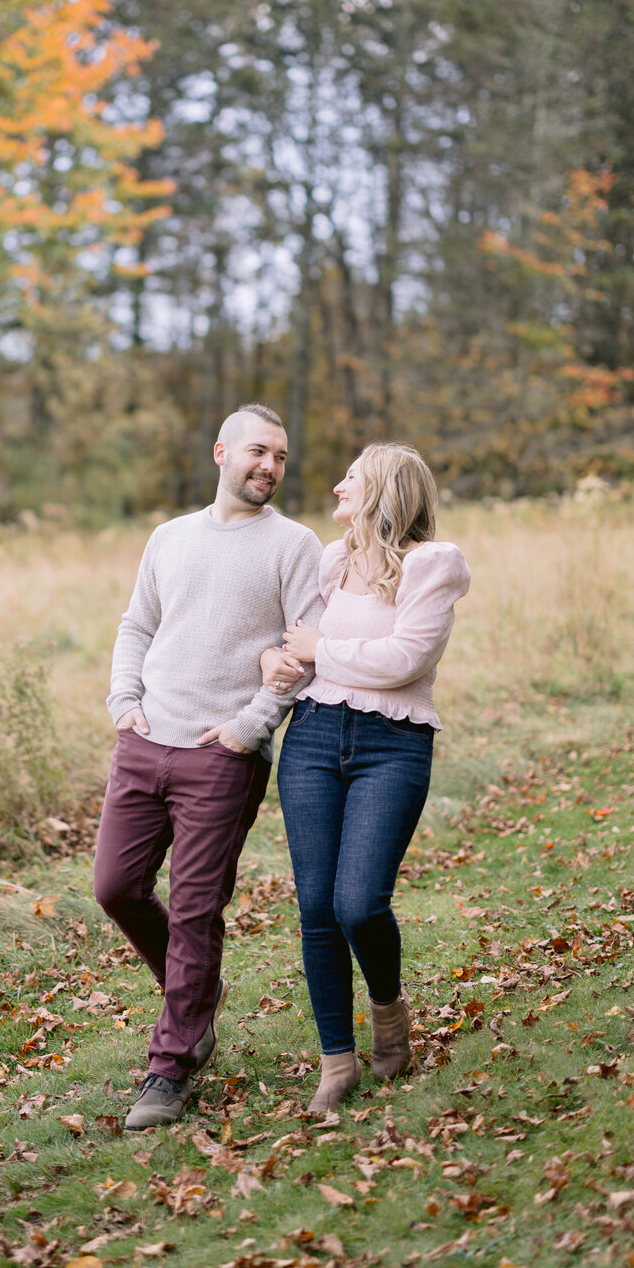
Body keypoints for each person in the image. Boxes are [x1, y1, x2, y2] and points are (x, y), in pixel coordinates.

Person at [95, 404, 323, 1131]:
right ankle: (195, 996)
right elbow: (138, 625)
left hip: (222, 754)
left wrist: (248, 729)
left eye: (282, 457)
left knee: (196, 909)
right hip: (144, 740)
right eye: (259, 452)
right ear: (221, 451)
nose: (270, 468)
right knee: (116, 887)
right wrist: (123, 701)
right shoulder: (169, 538)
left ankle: (172, 1065)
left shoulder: (294, 545)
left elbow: (304, 655)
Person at [262, 443, 469, 1112]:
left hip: (393, 744)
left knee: (359, 902)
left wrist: (323, 654)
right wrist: (279, 660)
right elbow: (294, 645)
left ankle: (387, 1010)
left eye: (350, 478)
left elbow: (403, 660)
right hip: (314, 739)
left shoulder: (432, 566)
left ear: (381, 490)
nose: (335, 486)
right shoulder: (332, 560)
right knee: (317, 907)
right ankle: (335, 1062)